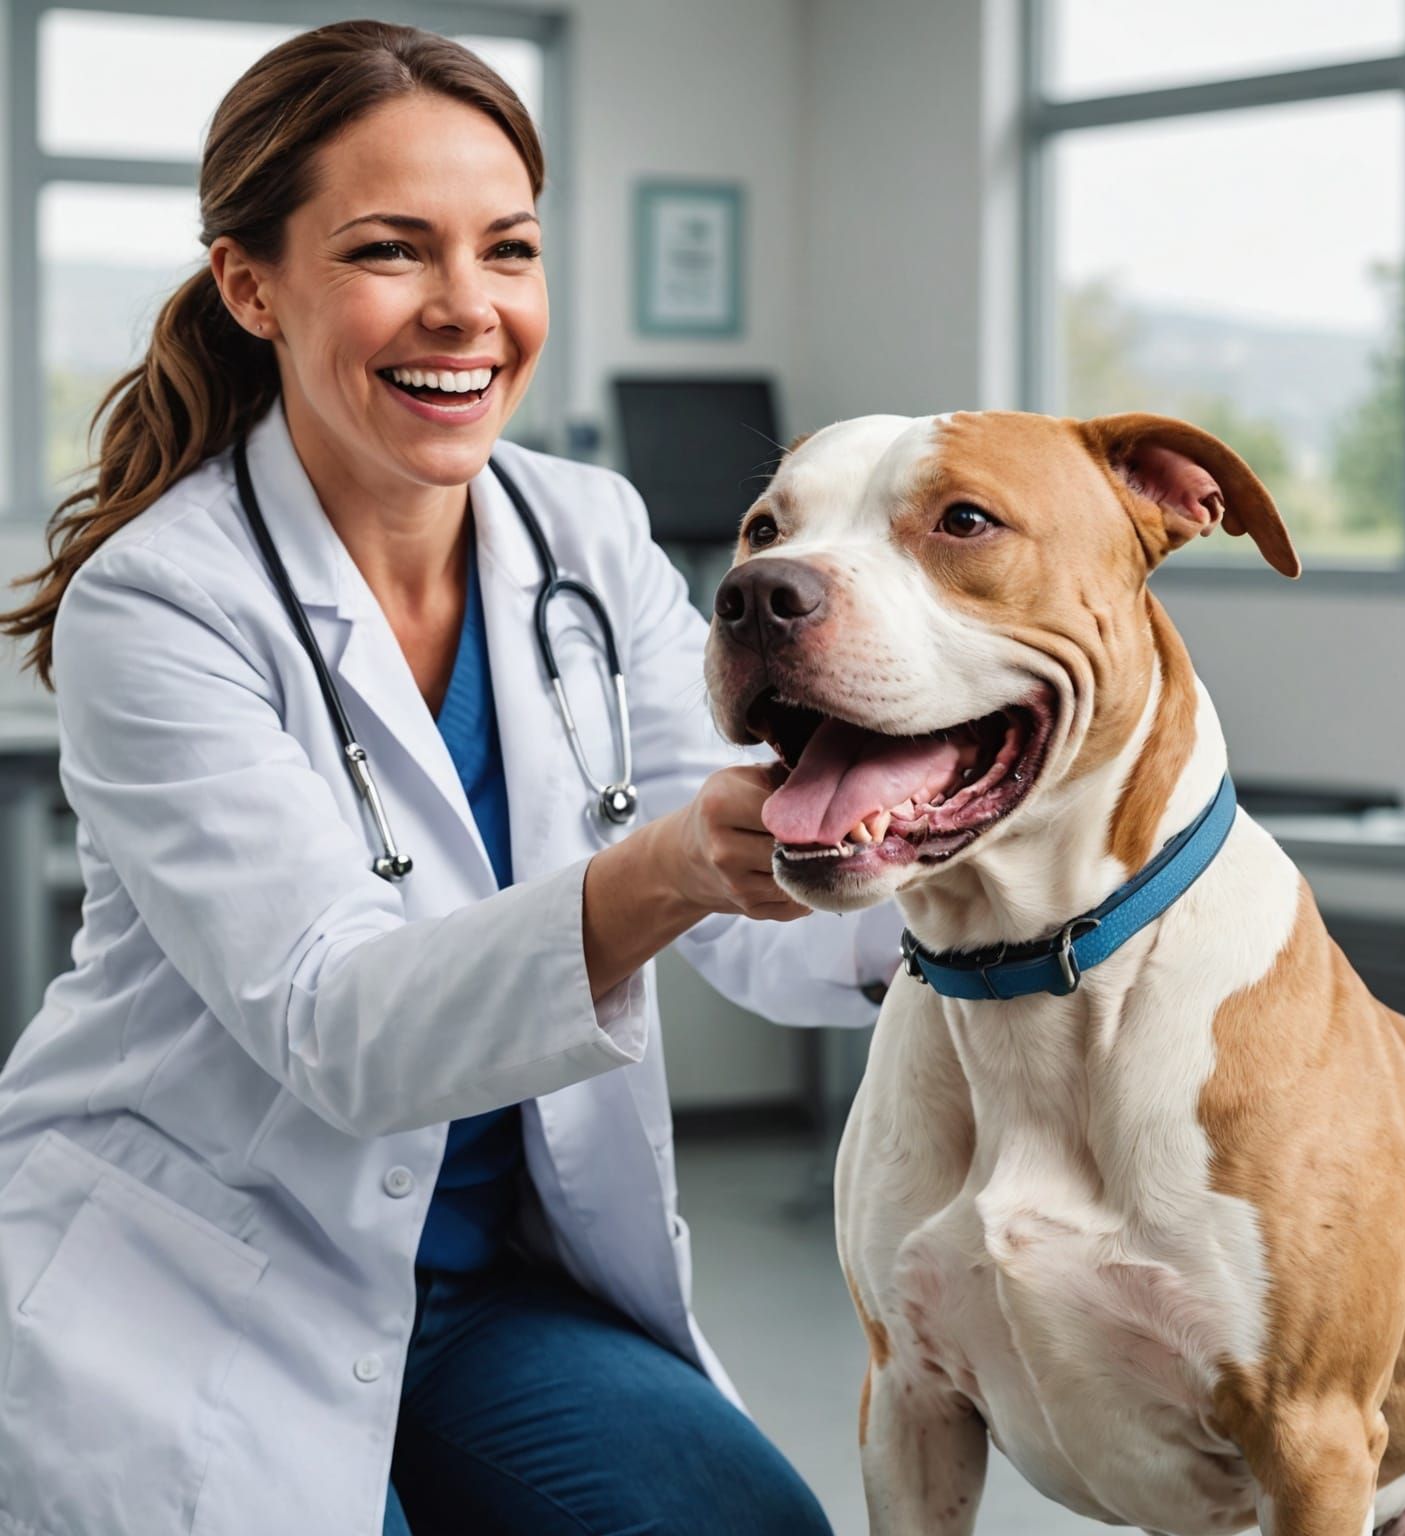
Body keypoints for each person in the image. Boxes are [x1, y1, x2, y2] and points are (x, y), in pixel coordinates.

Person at [0, 21, 896, 1535]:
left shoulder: (585, 538)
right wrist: (665, 869)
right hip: (193, 1285)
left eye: (510, 249)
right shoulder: (159, 601)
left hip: (485, 1291)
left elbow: (753, 906)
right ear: (250, 284)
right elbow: (341, 1026)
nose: (466, 309)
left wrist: (951, 893)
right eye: (389, 252)